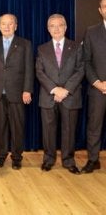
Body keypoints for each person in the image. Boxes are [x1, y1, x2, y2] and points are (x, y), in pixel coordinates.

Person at [36, 14, 84, 175]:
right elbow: (39, 72)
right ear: (48, 29)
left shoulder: (77, 47)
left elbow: (80, 70)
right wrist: (55, 89)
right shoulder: (42, 49)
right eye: (52, 26)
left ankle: (68, 160)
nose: (56, 29)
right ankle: (48, 160)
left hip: (70, 96)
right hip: (48, 96)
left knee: (69, 130)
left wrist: (65, 90)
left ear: (65, 27)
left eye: (60, 25)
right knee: (48, 131)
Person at [0, 13, 33, 170]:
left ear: (16, 26)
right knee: (0, 126)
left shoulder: (25, 44)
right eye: (3, 24)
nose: (6, 26)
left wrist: (27, 90)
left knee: (17, 126)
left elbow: (29, 69)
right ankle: (1, 155)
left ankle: (17, 156)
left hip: (17, 93)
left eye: (10, 23)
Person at [82, 0, 106, 173]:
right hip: (97, 89)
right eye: (105, 7)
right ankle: (93, 159)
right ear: (100, 10)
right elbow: (86, 61)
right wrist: (97, 82)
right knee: (94, 126)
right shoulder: (91, 31)